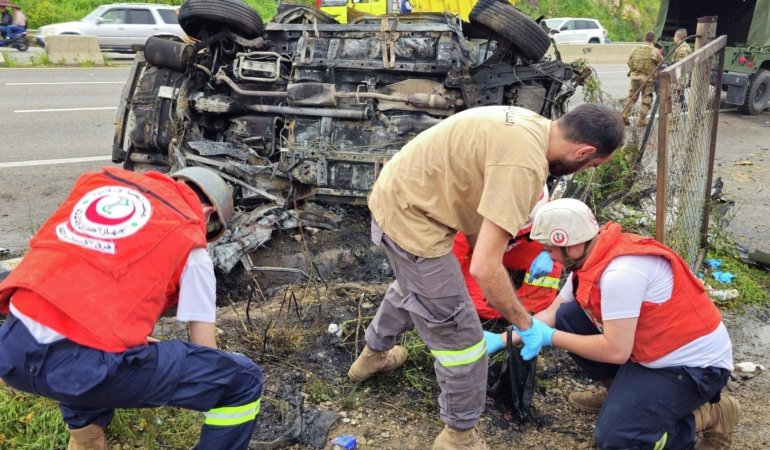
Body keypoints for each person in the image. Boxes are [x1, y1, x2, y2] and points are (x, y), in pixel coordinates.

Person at [348, 104, 625, 449]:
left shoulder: (532, 127)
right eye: (591, 164)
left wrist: (486, 261)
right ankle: (459, 437)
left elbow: (482, 234)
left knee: (413, 286)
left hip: (405, 197)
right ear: (584, 151)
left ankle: (372, 356)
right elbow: (484, 267)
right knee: (462, 340)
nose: (586, 169)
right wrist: (526, 325)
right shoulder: (525, 167)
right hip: (415, 219)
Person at [0, 166, 263, 450]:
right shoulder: (191, 245)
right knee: (241, 381)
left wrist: (129, 341)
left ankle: (87, 441)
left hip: (13, 348)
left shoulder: (105, 190)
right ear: (208, 212)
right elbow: (207, 354)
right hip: (81, 369)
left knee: (97, 354)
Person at [485, 198, 737, 450]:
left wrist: (550, 337)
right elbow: (552, 314)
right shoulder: (592, 255)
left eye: (548, 248)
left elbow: (616, 351)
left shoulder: (621, 274)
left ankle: (707, 416)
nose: (547, 255)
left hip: (693, 367)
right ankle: (622, 397)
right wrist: (503, 339)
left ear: (569, 244)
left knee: (617, 439)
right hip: (651, 352)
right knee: (568, 317)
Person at [452, 185, 563, 320]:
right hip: (479, 249)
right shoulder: (475, 209)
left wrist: (548, 252)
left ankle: (529, 307)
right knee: (479, 304)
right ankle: (503, 310)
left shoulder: (542, 203)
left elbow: (560, 232)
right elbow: (454, 257)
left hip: (519, 247)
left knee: (555, 260)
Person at [622, 31, 663, 127]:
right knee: (646, 98)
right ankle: (641, 120)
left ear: (644, 38)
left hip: (635, 77)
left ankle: (625, 114)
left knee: (631, 97)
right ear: (654, 39)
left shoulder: (635, 48)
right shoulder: (655, 50)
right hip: (647, 79)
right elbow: (660, 62)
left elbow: (629, 61)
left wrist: (633, 71)